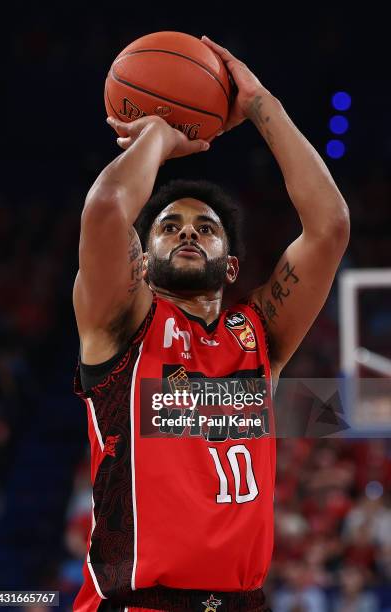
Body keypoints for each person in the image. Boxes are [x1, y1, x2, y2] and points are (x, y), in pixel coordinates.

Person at [72, 36, 350, 612]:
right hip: (137, 603)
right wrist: (157, 134)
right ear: (140, 263)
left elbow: (329, 227)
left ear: (233, 264)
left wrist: (259, 103)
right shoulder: (121, 324)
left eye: (207, 226)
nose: (189, 232)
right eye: (169, 226)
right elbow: (105, 211)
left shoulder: (259, 340)